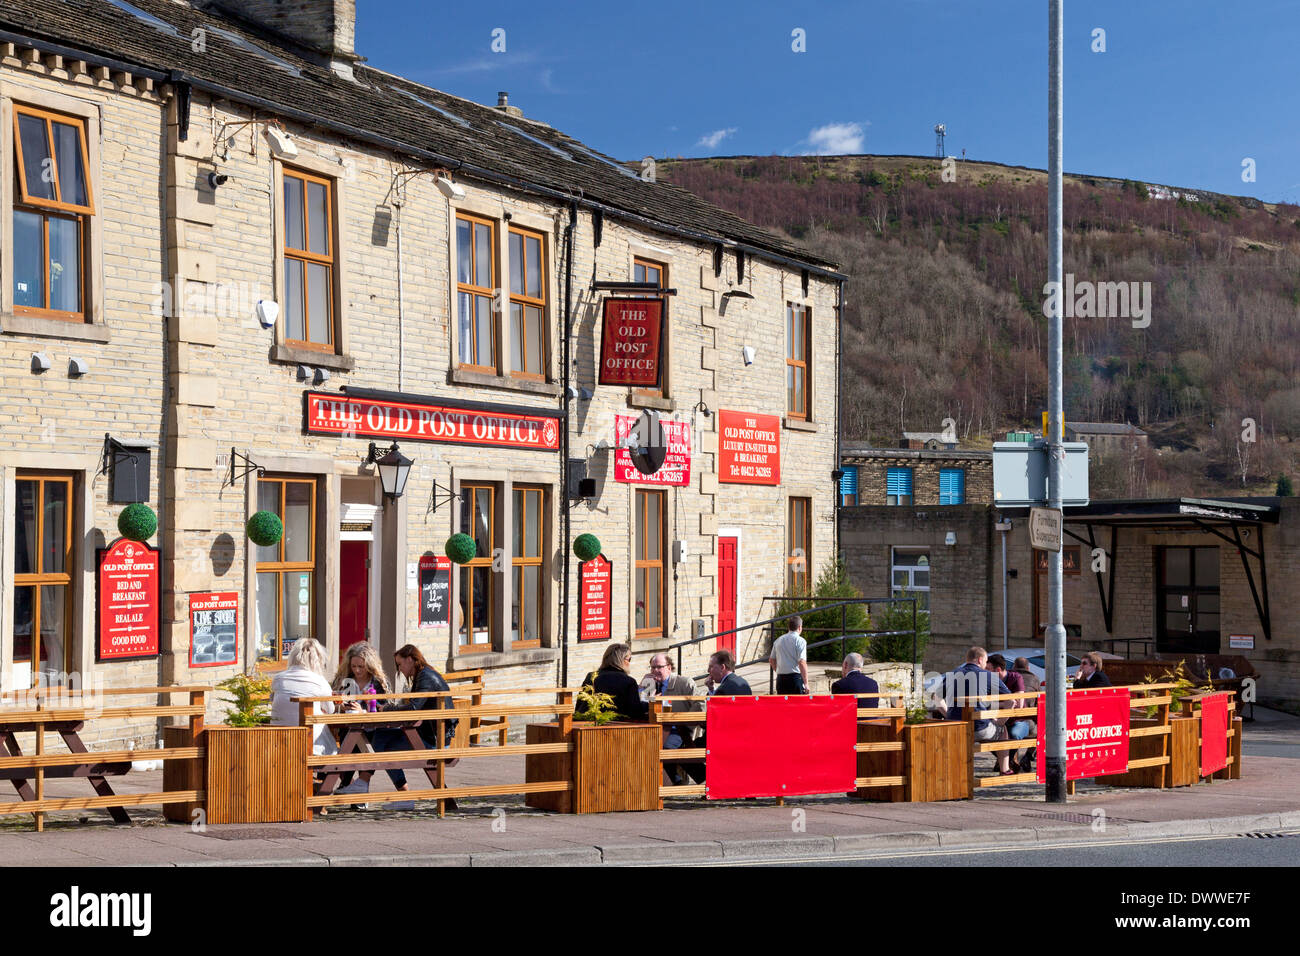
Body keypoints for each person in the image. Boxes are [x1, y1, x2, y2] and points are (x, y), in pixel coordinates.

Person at [371, 644, 459, 793]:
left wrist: (387, 709)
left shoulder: (426, 677)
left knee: (382, 744)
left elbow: (413, 708)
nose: (399, 669)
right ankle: (398, 791)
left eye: (400, 664)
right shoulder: (424, 674)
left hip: (435, 741)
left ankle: (403, 792)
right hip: (431, 734)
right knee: (380, 738)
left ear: (410, 660)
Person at [937, 646, 1014, 775]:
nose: (985, 664)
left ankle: (955, 773)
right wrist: (1001, 721)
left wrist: (948, 715)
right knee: (1003, 730)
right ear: (980, 660)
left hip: (956, 727)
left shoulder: (953, 673)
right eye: (985, 661)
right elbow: (1011, 700)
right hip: (979, 728)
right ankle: (1004, 769)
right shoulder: (989, 676)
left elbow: (936, 697)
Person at [640, 653, 701, 784]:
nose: (655, 671)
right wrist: (643, 688)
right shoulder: (650, 683)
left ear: (669, 667)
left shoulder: (683, 682)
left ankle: (676, 781)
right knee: (644, 747)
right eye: (652, 667)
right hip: (658, 727)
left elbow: (700, 704)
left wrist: (685, 722)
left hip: (678, 729)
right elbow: (640, 707)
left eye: (659, 667)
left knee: (664, 748)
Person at [270, 638, 337, 756]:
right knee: (332, 747)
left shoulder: (278, 678)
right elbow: (330, 710)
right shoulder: (319, 681)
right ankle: (327, 775)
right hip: (311, 745)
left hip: (278, 744)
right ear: (318, 660)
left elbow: (274, 702)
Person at [987, 654, 1031, 773]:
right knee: (986, 737)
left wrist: (997, 704)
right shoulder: (988, 681)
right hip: (998, 721)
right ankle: (1009, 763)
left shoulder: (1015, 677)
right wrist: (1005, 704)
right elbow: (985, 704)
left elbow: (1018, 704)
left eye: (988, 669)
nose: (985, 672)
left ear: (998, 670)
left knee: (1014, 735)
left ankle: (1007, 762)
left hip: (1018, 720)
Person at [579, 643, 647, 721]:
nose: (629, 663)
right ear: (622, 660)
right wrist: (650, 703)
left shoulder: (591, 676)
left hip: (589, 725)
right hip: (620, 727)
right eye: (629, 659)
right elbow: (635, 711)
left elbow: (580, 703)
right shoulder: (629, 682)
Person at [1010, 656, 1041, 773]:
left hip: (1008, 720)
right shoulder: (1034, 679)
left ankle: (1006, 760)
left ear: (1014, 666)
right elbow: (1038, 704)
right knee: (1041, 731)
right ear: (1028, 667)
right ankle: (1027, 756)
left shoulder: (1009, 677)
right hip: (1027, 721)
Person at [769, 615, 809, 694]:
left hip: (781, 679)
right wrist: (806, 683)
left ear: (789, 627)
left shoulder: (778, 640)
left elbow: (771, 659)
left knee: (783, 705)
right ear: (800, 627)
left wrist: (778, 670)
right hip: (795, 679)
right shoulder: (800, 641)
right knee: (797, 705)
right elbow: (802, 662)